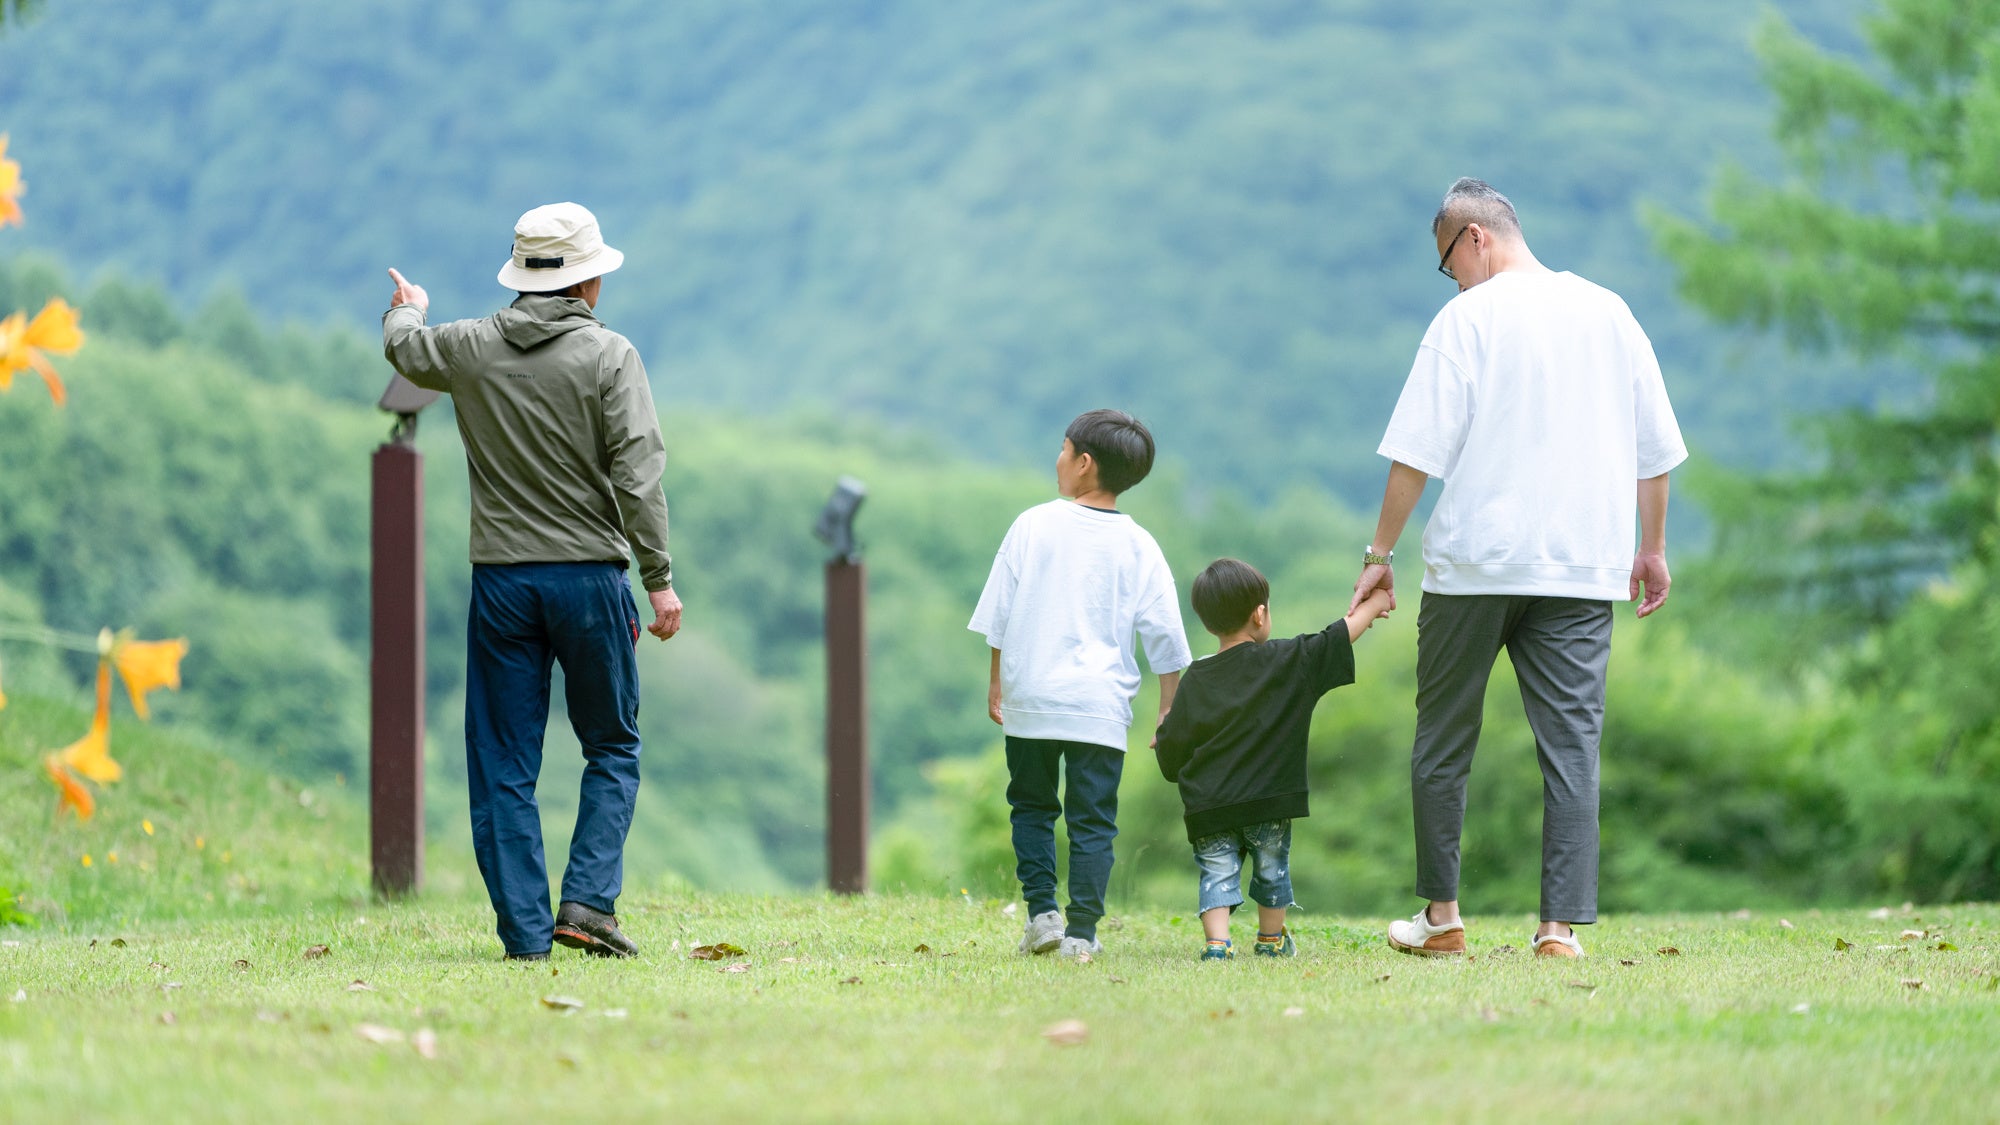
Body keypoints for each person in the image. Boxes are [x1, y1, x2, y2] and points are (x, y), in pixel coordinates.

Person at [1352, 178, 1686, 960]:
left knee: (1443, 740)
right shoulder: (1610, 313)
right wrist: (1652, 546)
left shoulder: (1468, 319)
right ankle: (1557, 929)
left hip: (1475, 563)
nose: (1454, 282)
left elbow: (1415, 453)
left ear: (1474, 238)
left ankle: (1442, 917)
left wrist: (1379, 555)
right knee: (1572, 748)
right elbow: (1655, 450)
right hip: (1581, 567)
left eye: (1449, 265)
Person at [381, 201, 683, 962]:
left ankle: (524, 936)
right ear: (588, 283)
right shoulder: (611, 356)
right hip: (591, 582)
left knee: (502, 763)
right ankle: (587, 903)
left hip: (503, 584)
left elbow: (406, 352)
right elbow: (639, 474)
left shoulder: (470, 347)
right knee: (611, 744)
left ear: (522, 277)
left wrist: (408, 308)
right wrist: (658, 579)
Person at [968, 409, 1193, 960]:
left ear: (1084, 463)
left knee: (1032, 807)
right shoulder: (1140, 545)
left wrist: (997, 681)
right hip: (1099, 704)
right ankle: (1082, 935)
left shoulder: (1032, 525)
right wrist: (1167, 708)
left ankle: (1042, 915)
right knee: (1093, 822)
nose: (1058, 460)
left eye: (1064, 451)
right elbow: (1166, 635)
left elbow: (1000, 612)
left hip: (1033, 693)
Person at [1155, 558, 1393, 961]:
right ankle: (1270, 940)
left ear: (1208, 623)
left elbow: (1171, 752)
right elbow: (1336, 636)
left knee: (1217, 871)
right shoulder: (1288, 660)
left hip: (1210, 804)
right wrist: (1376, 602)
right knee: (1271, 869)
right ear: (1259, 614)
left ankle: (1217, 943)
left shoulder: (1196, 678)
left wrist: (1164, 737)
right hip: (1268, 802)